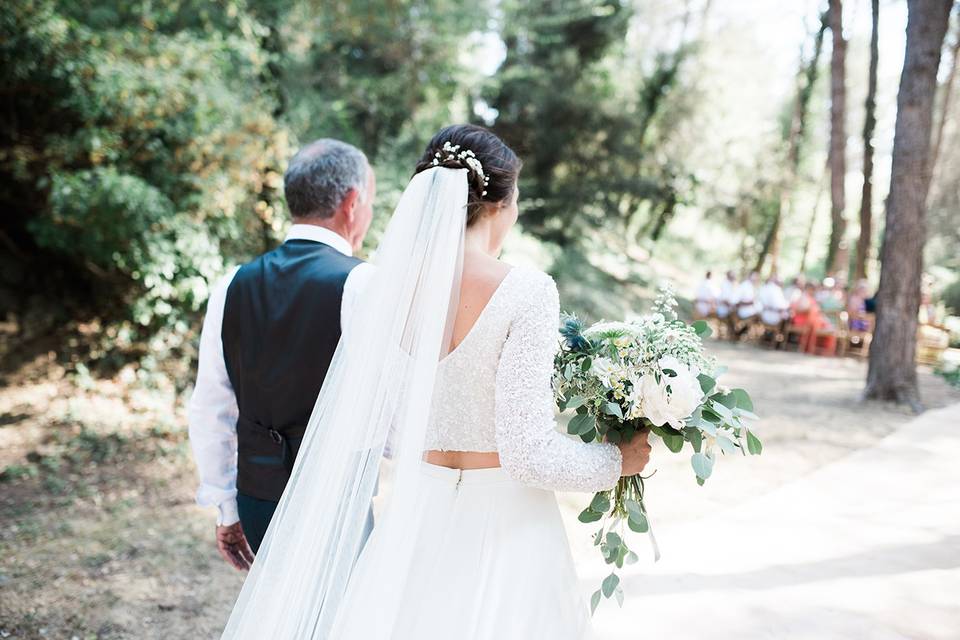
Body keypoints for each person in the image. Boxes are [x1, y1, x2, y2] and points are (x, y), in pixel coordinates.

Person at [220, 125, 653, 639]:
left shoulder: (383, 288)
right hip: (505, 528)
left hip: (413, 521)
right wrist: (617, 461)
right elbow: (528, 454)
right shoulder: (526, 291)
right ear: (501, 202)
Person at [188, 139, 377, 566]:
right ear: (351, 203)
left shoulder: (231, 283)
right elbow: (385, 410)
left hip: (257, 500)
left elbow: (211, 406)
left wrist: (227, 508)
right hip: (333, 502)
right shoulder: (363, 284)